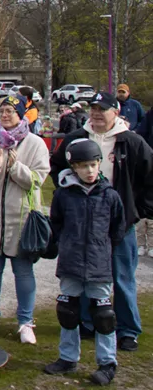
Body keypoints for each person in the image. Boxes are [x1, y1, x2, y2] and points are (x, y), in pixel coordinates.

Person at [51, 91, 153, 351]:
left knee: (121, 277)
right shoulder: (78, 138)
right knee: (83, 275)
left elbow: (150, 176)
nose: (96, 114)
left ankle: (127, 330)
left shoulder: (131, 142)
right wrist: (68, 195)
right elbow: (57, 166)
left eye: (102, 109)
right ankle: (88, 322)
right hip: (83, 222)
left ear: (116, 112)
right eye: (93, 109)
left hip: (119, 223)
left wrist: (138, 210)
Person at [44, 139, 126, 385]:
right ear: (73, 167)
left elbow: (117, 229)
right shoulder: (64, 195)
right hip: (71, 263)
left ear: (100, 164)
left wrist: (102, 249)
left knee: (103, 316)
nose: (90, 171)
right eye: (83, 166)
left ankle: (107, 363)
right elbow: (56, 224)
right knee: (68, 312)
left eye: (93, 165)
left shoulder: (110, 196)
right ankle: (68, 358)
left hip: (99, 265)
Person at [0, 95, 50, 344]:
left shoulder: (35, 144)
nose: (5, 115)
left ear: (21, 115)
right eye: (2, 111)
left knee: (23, 272)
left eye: (10, 111)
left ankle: (25, 322)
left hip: (22, 219)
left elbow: (38, 180)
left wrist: (15, 168)